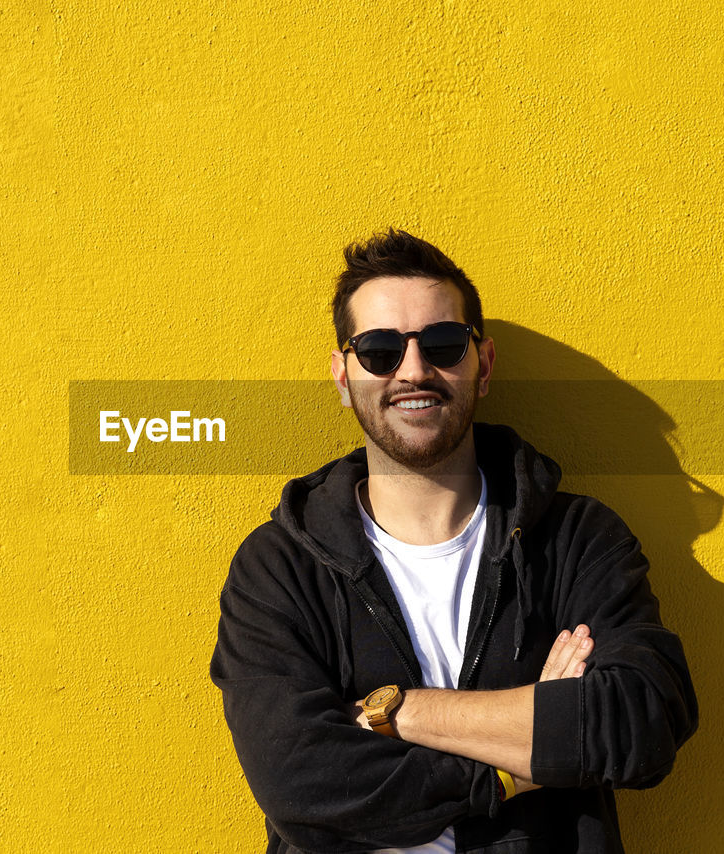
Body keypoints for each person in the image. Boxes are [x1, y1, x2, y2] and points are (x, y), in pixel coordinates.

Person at [209, 229, 698, 853]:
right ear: (342, 374)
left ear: (483, 364)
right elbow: (302, 781)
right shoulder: (280, 566)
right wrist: (515, 764)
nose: (414, 370)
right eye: (380, 350)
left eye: (442, 344)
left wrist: (401, 711)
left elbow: (642, 721)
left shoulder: (576, 541)